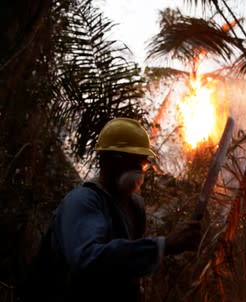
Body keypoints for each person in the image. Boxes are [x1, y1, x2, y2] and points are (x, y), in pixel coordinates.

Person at [30, 117, 201, 302]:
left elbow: (125, 270)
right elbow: (89, 260)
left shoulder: (135, 205)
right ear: (109, 161)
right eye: (134, 159)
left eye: (143, 162)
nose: (141, 167)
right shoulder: (82, 201)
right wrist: (162, 245)